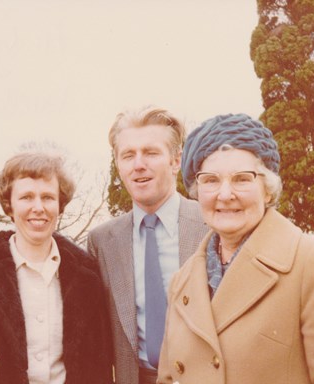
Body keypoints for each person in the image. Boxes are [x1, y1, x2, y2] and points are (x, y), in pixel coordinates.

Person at [157, 113, 314, 383]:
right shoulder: (181, 282)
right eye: (211, 180)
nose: (225, 194)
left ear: (267, 190)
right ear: (197, 192)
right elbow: (168, 378)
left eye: (242, 179)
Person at [0, 150, 113, 384]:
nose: (38, 207)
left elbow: (99, 363)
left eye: (48, 197)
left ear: (60, 205)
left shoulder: (88, 276)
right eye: (27, 197)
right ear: (9, 205)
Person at [87, 105, 208, 384]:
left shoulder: (211, 226)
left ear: (176, 160)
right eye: (128, 155)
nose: (138, 164)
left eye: (151, 153)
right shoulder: (102, 242)